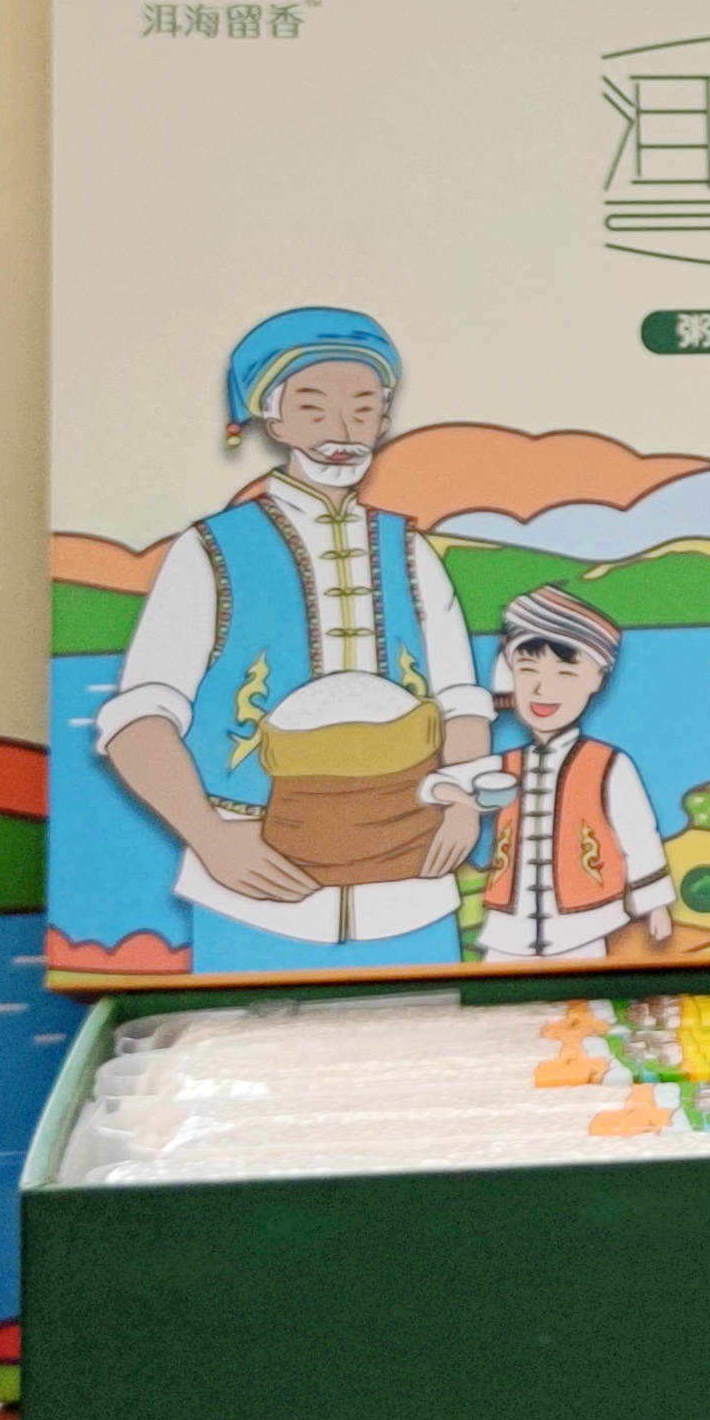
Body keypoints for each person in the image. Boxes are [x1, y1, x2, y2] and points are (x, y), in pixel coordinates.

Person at [92, 307, 490, 974]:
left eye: (363, 409)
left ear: (384, 419)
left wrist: (463, 806)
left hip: (412, 891)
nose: (342, 430)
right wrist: (211, 839)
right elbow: (139, 719)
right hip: (253, 893)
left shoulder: (410, 550)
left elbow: (460, 699)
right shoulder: (210, 550)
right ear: (273, 421)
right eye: (313, 407)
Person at [473, 587, 677, 966]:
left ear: (596, 679)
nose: (542, 688)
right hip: (508, 926)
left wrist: (655, 904)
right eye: (528, 670)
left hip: (583, 924)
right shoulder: (503, 766)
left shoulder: (609, 764)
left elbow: (638, 835)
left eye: (565, 673)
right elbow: (448, 790)